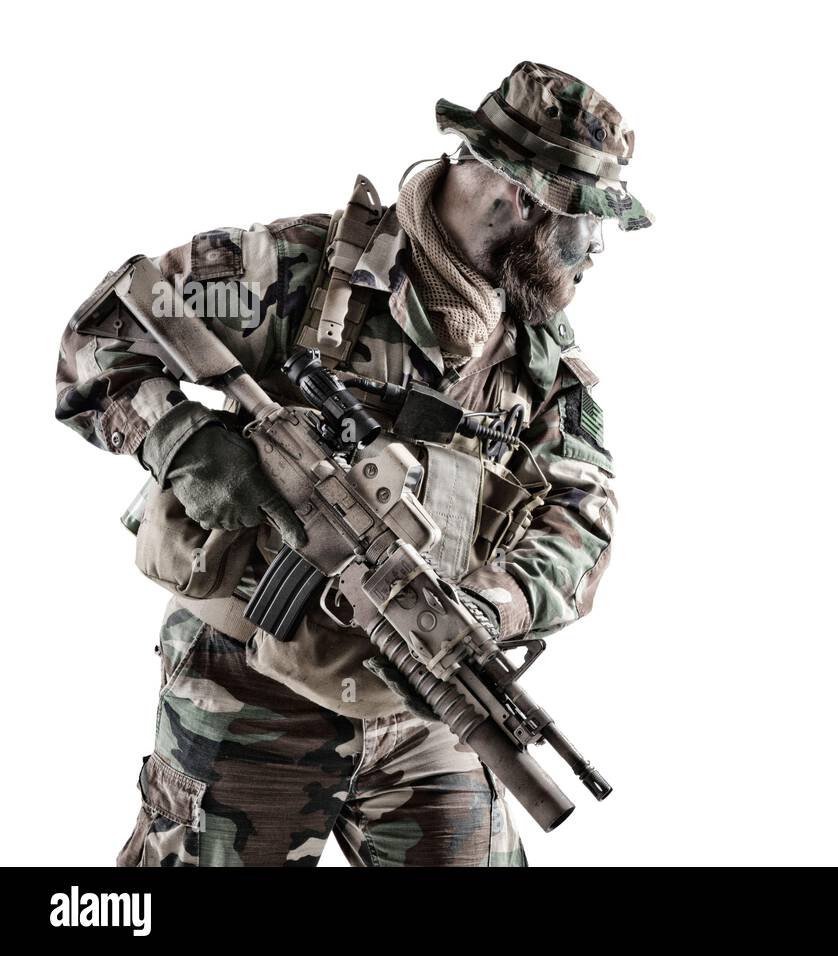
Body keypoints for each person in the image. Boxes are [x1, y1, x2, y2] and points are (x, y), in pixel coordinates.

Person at [53, 61, 650, 867]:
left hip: (418, 695)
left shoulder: (540, 358)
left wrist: (491, 607)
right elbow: (102, 333)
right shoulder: (300, 269)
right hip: (245, 685)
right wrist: (185, 439)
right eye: (580, 224)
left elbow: (583, 518)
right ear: (518, 196)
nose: (589, 253)